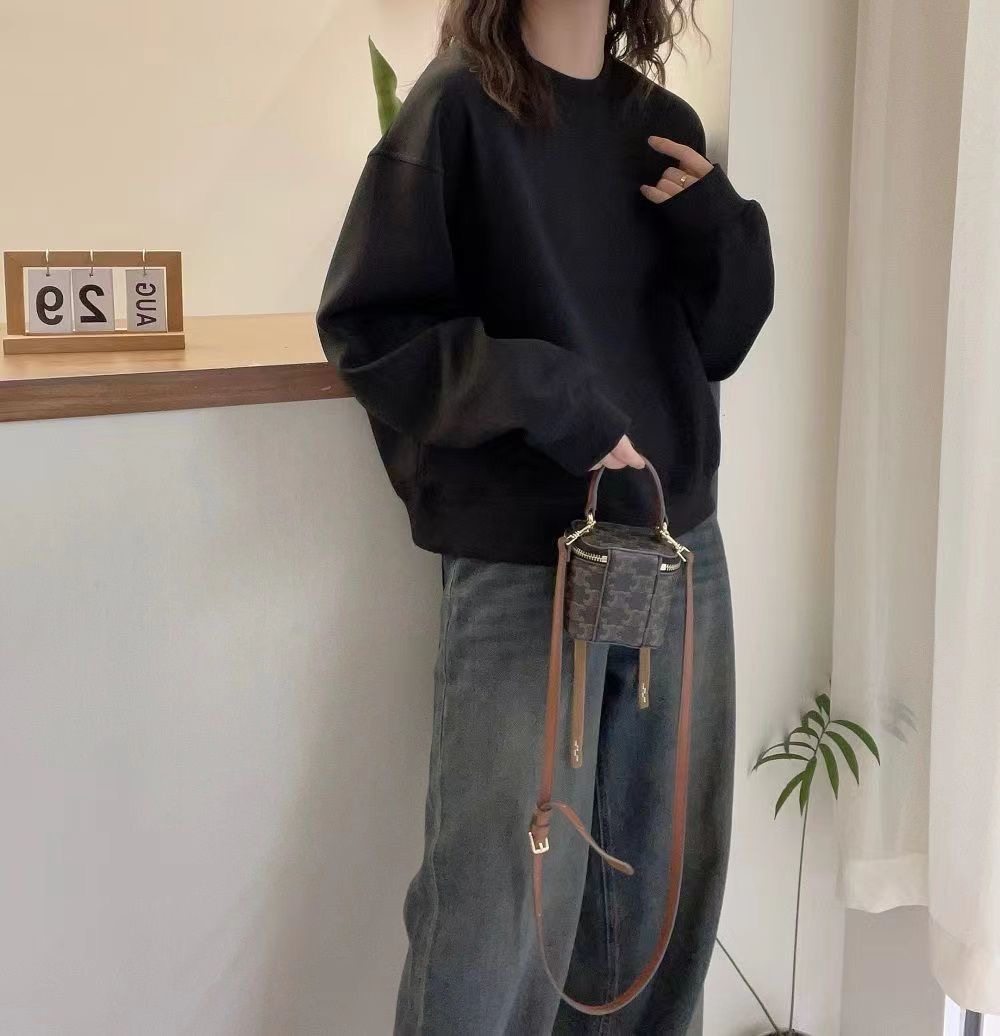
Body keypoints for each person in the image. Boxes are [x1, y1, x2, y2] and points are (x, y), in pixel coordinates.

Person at [317, 0, 773, 1031]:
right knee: (500, 906)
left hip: (674, 548)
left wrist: (718, 226)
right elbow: (369, 328)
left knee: (660, 897)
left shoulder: (659, 124)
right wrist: (554, 398)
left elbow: (723, 339)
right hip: (530, 563)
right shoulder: (455, 112)